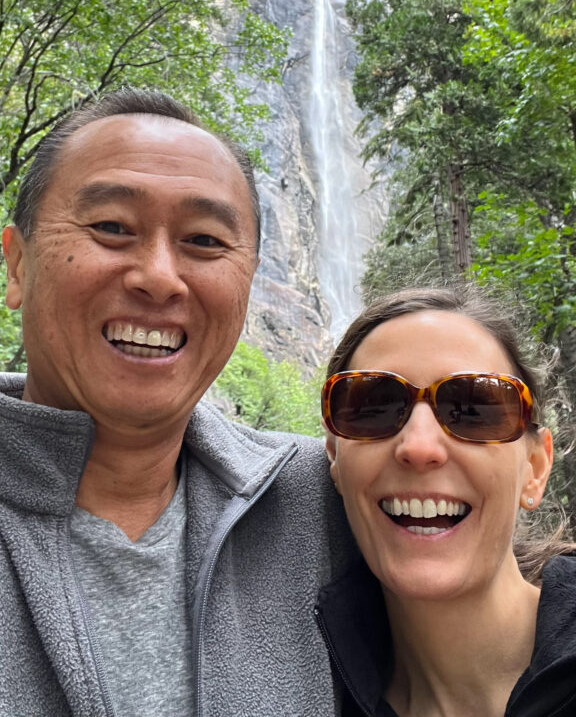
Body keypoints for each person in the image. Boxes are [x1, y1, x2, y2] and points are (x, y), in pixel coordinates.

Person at [0, 86, 355, 717]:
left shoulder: (325, 498)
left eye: (205, 241)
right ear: (17, 265)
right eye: (111, 227)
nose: (160, 276)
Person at [316, 286, 576, 717]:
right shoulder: (307, 687)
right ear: (335, 460)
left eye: (474, 408)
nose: (418, 446)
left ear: (535, 467)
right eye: (372, 407)